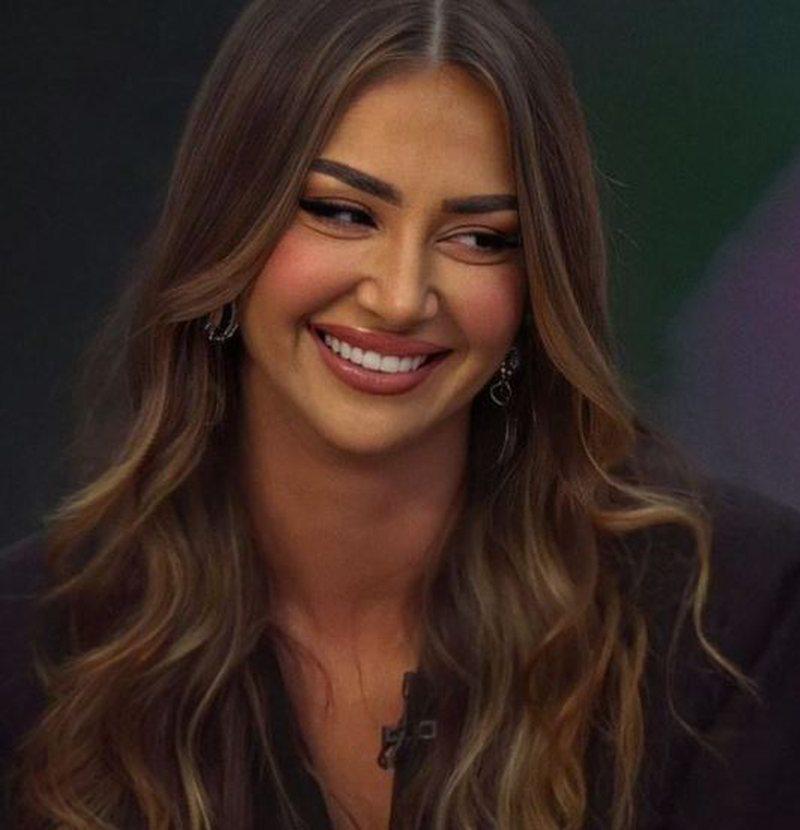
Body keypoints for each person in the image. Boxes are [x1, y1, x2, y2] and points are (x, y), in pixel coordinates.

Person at [2, 0, 800, 828]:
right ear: (227, 228)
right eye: (343, 213)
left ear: (537, 284)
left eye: (480, 238)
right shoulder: (29, 652)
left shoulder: (736, 629)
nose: (400, 296)